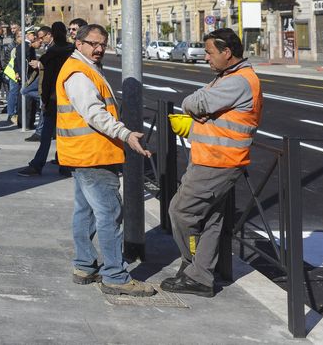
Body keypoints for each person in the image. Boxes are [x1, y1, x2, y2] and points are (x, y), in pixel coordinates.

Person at [161, 28, 262, 298]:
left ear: (227, 53)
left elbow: (194, 101)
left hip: (217, 162)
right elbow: (199, 103)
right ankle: (202, 275)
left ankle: (193, 266)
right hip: (214, 160)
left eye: (209, 52)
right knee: (211, 219)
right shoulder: (227, 76)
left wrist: (197, 110)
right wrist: (199, 111)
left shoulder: (238, 81)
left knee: (181, 212)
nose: (206, 57)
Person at [56, 23, 154, 296]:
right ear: (79, 44)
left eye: (103, 43)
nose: (99, 48)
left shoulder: (84, 68)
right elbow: (95, 114)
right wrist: (125, 134)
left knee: (85, 211)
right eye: (93, 44)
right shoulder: (79, 73)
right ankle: (115, 276)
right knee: (109, 214)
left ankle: (85, 265)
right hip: (94, 154)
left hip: (83, 153)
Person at [18, 22, 74, 176]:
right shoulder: (73, 51)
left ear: (53, 35)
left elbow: (46, 81)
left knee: (46, 136)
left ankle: (37, 165)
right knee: (65, 135)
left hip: (53, 99)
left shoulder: (51, 54)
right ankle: (65, 165)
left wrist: (44, 99)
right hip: (69, 99)